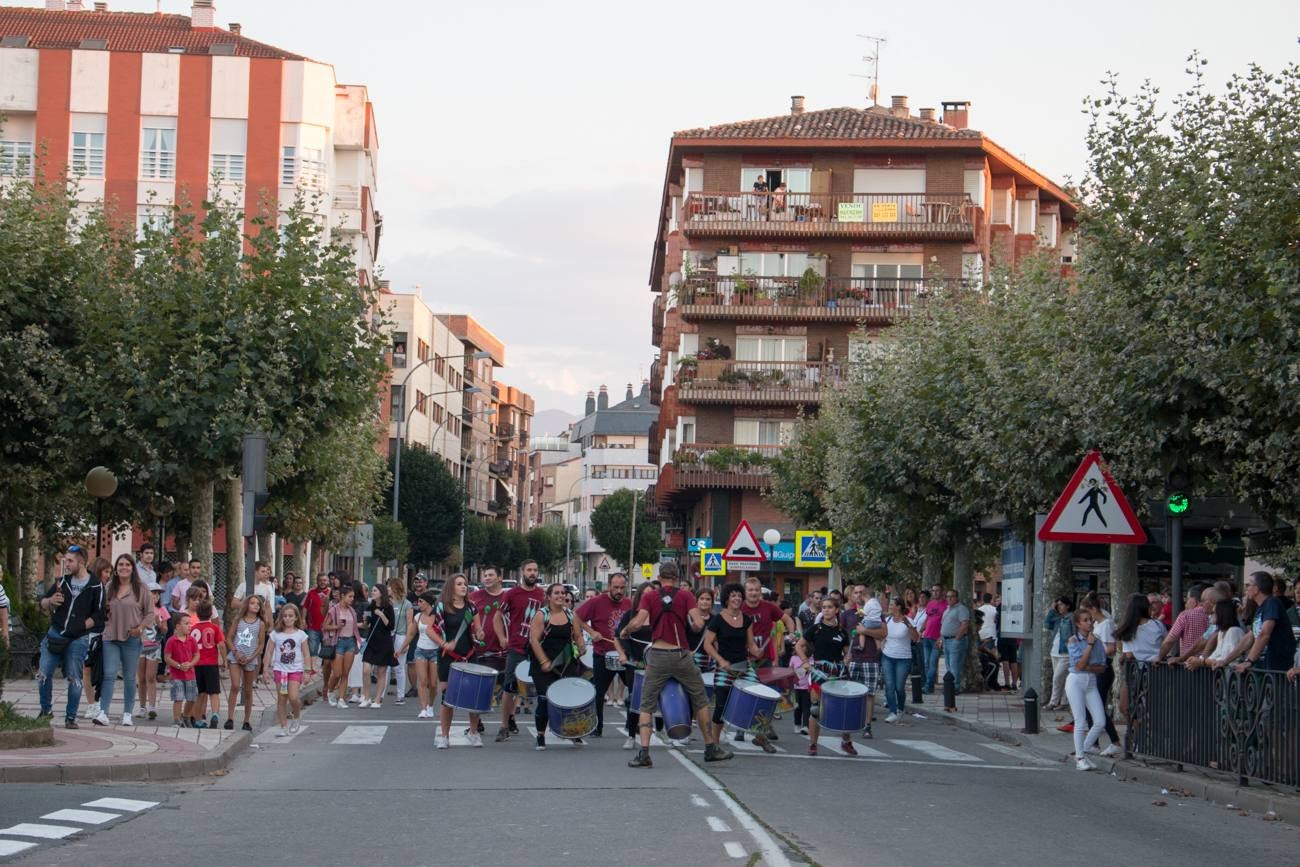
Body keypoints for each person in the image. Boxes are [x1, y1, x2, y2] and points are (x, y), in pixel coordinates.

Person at [621, 562, 731, 768]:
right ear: (678, 578)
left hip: (658, 656)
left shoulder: (649, 596)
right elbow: (699, 624)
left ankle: (644, 753)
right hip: (681, 655)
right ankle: (710, 748)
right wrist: (691, 624)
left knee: (647, 704)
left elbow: (637, 623)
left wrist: (625, 631)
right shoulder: (686, 596)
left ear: (660, 577)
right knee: (700, 699)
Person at [36, 546, 105, 728]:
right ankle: (46, 710)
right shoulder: (62, 582)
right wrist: (50, 601)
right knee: (43, 673)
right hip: (55, 634)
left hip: (78, 639)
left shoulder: (96, 585)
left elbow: (98, 616)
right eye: (66, 560)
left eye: (70, 561)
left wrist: (80, 626)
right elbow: (41, 602)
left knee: (74, 678)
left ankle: (70, 717)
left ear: (81, 561)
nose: (66, 564)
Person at [702, 582, 770, 751]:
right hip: (724, 668)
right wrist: (720, 660)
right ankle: (714, 745)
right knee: (720, 707)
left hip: (744, 667)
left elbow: (751, 645)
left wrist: (758, 652)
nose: (737, 598)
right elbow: (707, 645)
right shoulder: (717, 620)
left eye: (739, 596)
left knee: (759, 698)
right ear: (726, 598)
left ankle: (761, 737)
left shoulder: (746, 619)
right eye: (733, 596)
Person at [91, 554, 154, 727]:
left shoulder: (141, 589)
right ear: (116, 568)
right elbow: (99, 609)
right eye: (120, 564)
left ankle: (127, 714)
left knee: (128, 677)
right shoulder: (109, 587)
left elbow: (150, 613)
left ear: (133, 567)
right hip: (110, 636)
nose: (123, 567)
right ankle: (103, 712)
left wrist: (140, 628)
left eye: (127, 564)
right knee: (109, 675)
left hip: (131, 638)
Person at [529, 582, 587, 750]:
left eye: (563, 593)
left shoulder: (571, 615)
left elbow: (578, 635)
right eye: (556, 593)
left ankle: (574, 732)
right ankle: (540, 736)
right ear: (548, 597)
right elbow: (534, 640)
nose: (561, 595)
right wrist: (544, 661)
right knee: (544, 699)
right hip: (543, 663)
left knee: (572, 699)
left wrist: (581, 646)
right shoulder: (542, 615)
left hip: (566, 662)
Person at [492, 560, 546, 742]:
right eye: (529, 570)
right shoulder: (512, 594)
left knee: (542, 689)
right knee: (509, 688)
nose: (533, 573)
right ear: (522, 572)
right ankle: (504, 726)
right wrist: (501, 637)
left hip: (538, 649)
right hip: (517, 648)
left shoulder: (542, 595)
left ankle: (548, 728)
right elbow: (497, 616)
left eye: (535, 570)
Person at [574, 571, 632, 737]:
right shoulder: (597, 601)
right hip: (602, 653)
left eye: (622, 587)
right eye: (616, 587)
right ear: (609, 587)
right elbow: (576, 617)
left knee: (633, 690)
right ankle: (597, 726)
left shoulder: (629, 603)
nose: (619, 591)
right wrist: (591, 632)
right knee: (599, 693)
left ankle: (631, 724)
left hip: (623, 655)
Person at [434, 574, 484, 749]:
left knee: (474, 697)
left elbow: (478, 629)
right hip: (449, 658)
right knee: (447, 698)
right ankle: (445, 736)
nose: (464, 587)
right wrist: (444, 644)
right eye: (460, 584)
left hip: (469, 655)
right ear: (451, 587)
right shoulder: (442, 607)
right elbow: (430, 630)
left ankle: (473, 732)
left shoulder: (471, 607)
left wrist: (480, 634)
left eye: (465, 584)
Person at [1223, 572, 1297, 674]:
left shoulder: (1272, 603)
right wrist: (1225, 661)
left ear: (1257, 588)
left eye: (1248, 585)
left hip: (1276, 668)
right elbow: (1249, 637)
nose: (1246, 589)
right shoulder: (1261, 608)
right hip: (1264, 667)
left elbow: (1264, 634)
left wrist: (1249, 661)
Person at [805, 594, 850, 756]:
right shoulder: (815, 629)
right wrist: (804, 661)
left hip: (838, 672)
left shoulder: (842, 632)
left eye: (830, 607)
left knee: (843, 708)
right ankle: (813, 744)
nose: (826, 610)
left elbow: (846, 653)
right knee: (815, 709)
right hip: (818, 671)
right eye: (824, 607)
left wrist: (847, 658)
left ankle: (846, 741)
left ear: (837, 610)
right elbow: (800, 646)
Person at [613, 583, 655, 749]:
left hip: (656, 665)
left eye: (651, 594)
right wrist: (622, 654)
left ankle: (659, 731)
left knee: (657, 698)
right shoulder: (630, 615)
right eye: (644, 594)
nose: (647, 597)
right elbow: (617, 636)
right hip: (635, 664)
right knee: (634, 699)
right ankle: (631, 735)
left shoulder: (660, 615)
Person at [1065, 608, 1108, 770]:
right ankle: (1080, 758)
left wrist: (1088, 666)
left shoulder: (1097, 640)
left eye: (1090, 619)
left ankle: (1082, 750)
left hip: (1090, 682)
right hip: (1075, 681)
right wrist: (1089, 645)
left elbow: (1102, 666)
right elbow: (1079, 665)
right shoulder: (1074, 640)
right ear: (1077, 623)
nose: (1089, 622)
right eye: (1085, 620)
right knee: (1080, 721)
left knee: (1100, 721)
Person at [468, 564, 507, 730]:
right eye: (485, 575)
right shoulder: (474, 596)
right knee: (478, 688)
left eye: (491, 575)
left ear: (499, 578)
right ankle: (477, 723)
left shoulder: (507, 597)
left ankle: (508, 719)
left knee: (508, 689)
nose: (487, 578)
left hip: (503, 650)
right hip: (480, 650)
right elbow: (466, 618)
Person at [265, 603, 312, 737]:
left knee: (293, 697)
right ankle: (283, 726)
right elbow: (269, 652)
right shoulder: (275, 634)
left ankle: (296, 716)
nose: (287, 619)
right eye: (285, 616)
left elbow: (306, 654)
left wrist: (307, 672)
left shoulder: (301, 635)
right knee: (281, 699)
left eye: (290, 616)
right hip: (280, 670)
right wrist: (265, 669)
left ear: (296, 618)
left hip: (295, 670)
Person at [222, 594, 268, 731]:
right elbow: (229, 638)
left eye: (258, 604)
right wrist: (236, 652)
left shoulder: (260, 623)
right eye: (252, 603)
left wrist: (251, 657)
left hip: (250, 658)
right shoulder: (239, 620)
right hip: (236, 657)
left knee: (248, 690)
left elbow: (260, 645)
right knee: (235, 686)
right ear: (247, 605)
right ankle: (230, 718)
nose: (255, 606)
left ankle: (246, 720)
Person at [323, 584, 362, 708]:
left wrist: (357, 641)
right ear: (342, 596)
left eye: (353, 597)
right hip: (338, 642)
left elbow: (355, 627)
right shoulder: (334, 610)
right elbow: (324, 626)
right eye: (350, 596)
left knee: (346, 673)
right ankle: (330, 691)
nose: (352, 599)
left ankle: (341, 699)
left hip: (350, 641)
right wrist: (336, 626)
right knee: (337, 673)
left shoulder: (352, 611)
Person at [188, 599, 226, 729]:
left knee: (200, 693)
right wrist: (224, 660)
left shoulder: (193, 629)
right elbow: (221, 645)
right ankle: (215, 714)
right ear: (211, 613)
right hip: (211, 663)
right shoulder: (215, 628)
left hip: (196, 664)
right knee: (214, 692)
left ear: (197, 614)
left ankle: (198, 719)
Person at [881, 596, 919, 723]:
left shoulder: (908, 621)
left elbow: (915, 638)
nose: (890, 606)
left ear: (898, 607)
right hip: (887, 656)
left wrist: (909, 626)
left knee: (899, 687)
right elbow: (883, 636)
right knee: (889, 686)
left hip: (903, 658)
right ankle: (893, 711)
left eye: (892, 604)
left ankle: (901, 709)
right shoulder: (887, 620)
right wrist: (881, 647)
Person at [136, 582, 169, 720]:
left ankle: (152, 707)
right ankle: (142, 706)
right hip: (139, 645)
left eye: (157, 594)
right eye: (152, 593)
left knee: (151, 677)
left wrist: (159, 623)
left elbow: (165, 630)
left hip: (154, 646)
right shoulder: (139, 609)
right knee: (141, 677)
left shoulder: (161, 610)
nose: (155, 596)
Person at [360, 583, 395, 708]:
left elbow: (391, 626)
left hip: (384, 642)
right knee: (366, 670)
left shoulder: (388, 607)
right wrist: (364, 619)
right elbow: (366, 624)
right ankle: (366, 697)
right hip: (371, 641)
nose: (372, 592)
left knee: (381, 672)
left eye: (375, 590)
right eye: (372, 590)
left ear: (381, 592)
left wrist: (381, 614)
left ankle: (377, 699)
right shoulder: (370, 606)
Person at [407, 591, 440, 718]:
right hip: (420, 650)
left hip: (435, 652)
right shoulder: (418, 616)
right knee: (422, 681)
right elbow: (411, 634)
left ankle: (430, 705)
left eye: (421, 601)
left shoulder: (438, 617)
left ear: (428, 603)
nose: (418, 604)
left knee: (432, 684)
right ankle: (423, 709)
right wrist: (401, 648)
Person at [1157, 583, 1210, 662]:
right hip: (1211, 666)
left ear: (1194, 600)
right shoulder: (1215, 615)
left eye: (1188, 599)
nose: (1186, 603)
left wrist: (1159, 658)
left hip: (1188, 665)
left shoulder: (1185, 615)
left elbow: (1169, 641)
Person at [1191, 599, 1246, 670]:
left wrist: (1202, 661)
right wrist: (1200, 660)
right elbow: (1215, 656)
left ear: (1222, 614)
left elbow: (1224, 659)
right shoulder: (1221, 632)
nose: (1211, 615)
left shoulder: (1234, 631)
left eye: (1213, 613)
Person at [165, 612, 198, 727]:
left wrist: (191, 664)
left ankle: (186, 716)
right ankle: (176, 720)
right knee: (178, 698)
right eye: (186, 623)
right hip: (176, 675)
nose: (190, 626)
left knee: (192, 698)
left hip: (190, 675)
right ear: (178, 626)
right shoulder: (171, 641)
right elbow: (167, 658)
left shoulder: (192, 640)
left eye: (190, 623)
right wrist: (178, 666)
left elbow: (197, 655)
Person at [1044, 596, 1075, 709]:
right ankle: (1063, 702)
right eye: (1058, 605)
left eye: (1061, 604)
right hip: (1055, 651)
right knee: (1061, 678)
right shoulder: (1058, 618)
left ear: (1067, 605)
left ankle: (1053, 702)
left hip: (1066, 652)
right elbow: (1047, 624)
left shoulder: (1071, 617)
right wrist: (1052, 610)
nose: (1059, 607)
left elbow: (1074, 633)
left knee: (1057, 677)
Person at [938, 590, 971, 692]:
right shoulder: (947, 610)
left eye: (952, 596)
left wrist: (957, 639)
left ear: (957, 598)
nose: (949, 599)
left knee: (954, 665)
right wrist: (941, 638)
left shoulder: (961, 609)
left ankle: (955, 687)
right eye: (947, 597)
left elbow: (965, 624)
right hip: (946, 640)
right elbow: (943, 625)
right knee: (948, 665)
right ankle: (949, 685)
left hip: (956, 640)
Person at [387, 578, 413, 706]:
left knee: (399, 666)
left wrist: (406, 643)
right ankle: (380, 695)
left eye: (389, 587)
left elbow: (410, 624)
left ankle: (400, 695)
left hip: (401, 636)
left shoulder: (407, 604)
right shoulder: (388, 603)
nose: (387, 589)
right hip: (388, 636)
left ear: (395, 588)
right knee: (384, 666)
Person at [920, 586, 946, 693]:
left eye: (937, 590)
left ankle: (928, 686)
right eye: (933, 591)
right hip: (927, 637)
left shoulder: (946, 605)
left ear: (942, 592)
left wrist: (941, 637)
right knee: (926, 663)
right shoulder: (930, 604)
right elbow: (928, 618)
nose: (935, 592)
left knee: (932, 663)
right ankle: (929, 686)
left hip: (937, 638)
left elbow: (946, 622)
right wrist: (921, 629)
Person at [303, 573, 331, 665]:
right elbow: (305, 607)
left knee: (326, 652)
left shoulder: (331, 593)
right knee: (312, 650)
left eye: (325, 580)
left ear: (328, 581)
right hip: (312, 627)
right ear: (317, 581)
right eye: (320, 580)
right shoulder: (311, 592)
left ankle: (324, 670)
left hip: (327, 628)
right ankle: (312, 669)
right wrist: (303, 619)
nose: (322, 582)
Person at [789, 636, 812, 735]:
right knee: (797, 707)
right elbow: (790, 670)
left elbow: (811, 669)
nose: (801, 649)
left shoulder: (811, 658)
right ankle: (797, 724)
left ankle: (806, 726)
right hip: (796, 687)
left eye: (803, 646)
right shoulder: (793, 658)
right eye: (800, 646)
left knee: (807, 707)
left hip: (807, 687)